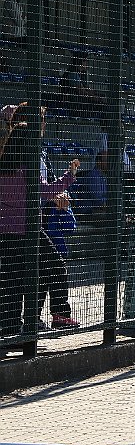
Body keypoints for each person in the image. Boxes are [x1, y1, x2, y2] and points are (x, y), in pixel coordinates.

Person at [0, 105, 81, 334]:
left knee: (12, 281)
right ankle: (57, 315)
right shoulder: (29, 166)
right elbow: (46, 191)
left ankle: (10, 326)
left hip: (5, 231)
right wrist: (70, 175)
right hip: (28, 229)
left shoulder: (4, 167)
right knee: (55, 266)